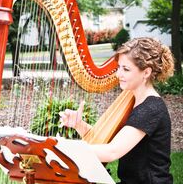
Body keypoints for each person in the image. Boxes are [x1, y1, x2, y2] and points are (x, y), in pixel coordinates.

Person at [59, 37, 175, 184]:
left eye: (126, 69)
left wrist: (64, 149)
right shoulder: (134, 99)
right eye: (118, 67)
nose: (118, 74)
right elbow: (110, 141)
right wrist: (79, 125)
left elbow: (112, 151)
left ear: (146, 73)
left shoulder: (151, 109)